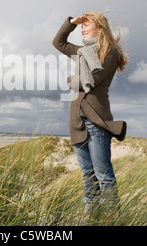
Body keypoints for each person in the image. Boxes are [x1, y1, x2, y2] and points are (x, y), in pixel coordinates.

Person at [52, 11, 128, 214]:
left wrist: (69, 80)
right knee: (88, 176)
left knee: (104, 175)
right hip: (76, 122)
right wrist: (71, 23)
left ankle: (111, 219)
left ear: (100, 28)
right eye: (82, 26)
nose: (82, 30)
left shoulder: (109, 53)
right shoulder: (81, 52)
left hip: (96, 123)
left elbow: (90, 82)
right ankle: (90, 217)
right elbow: (58, 42)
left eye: (86, 25)